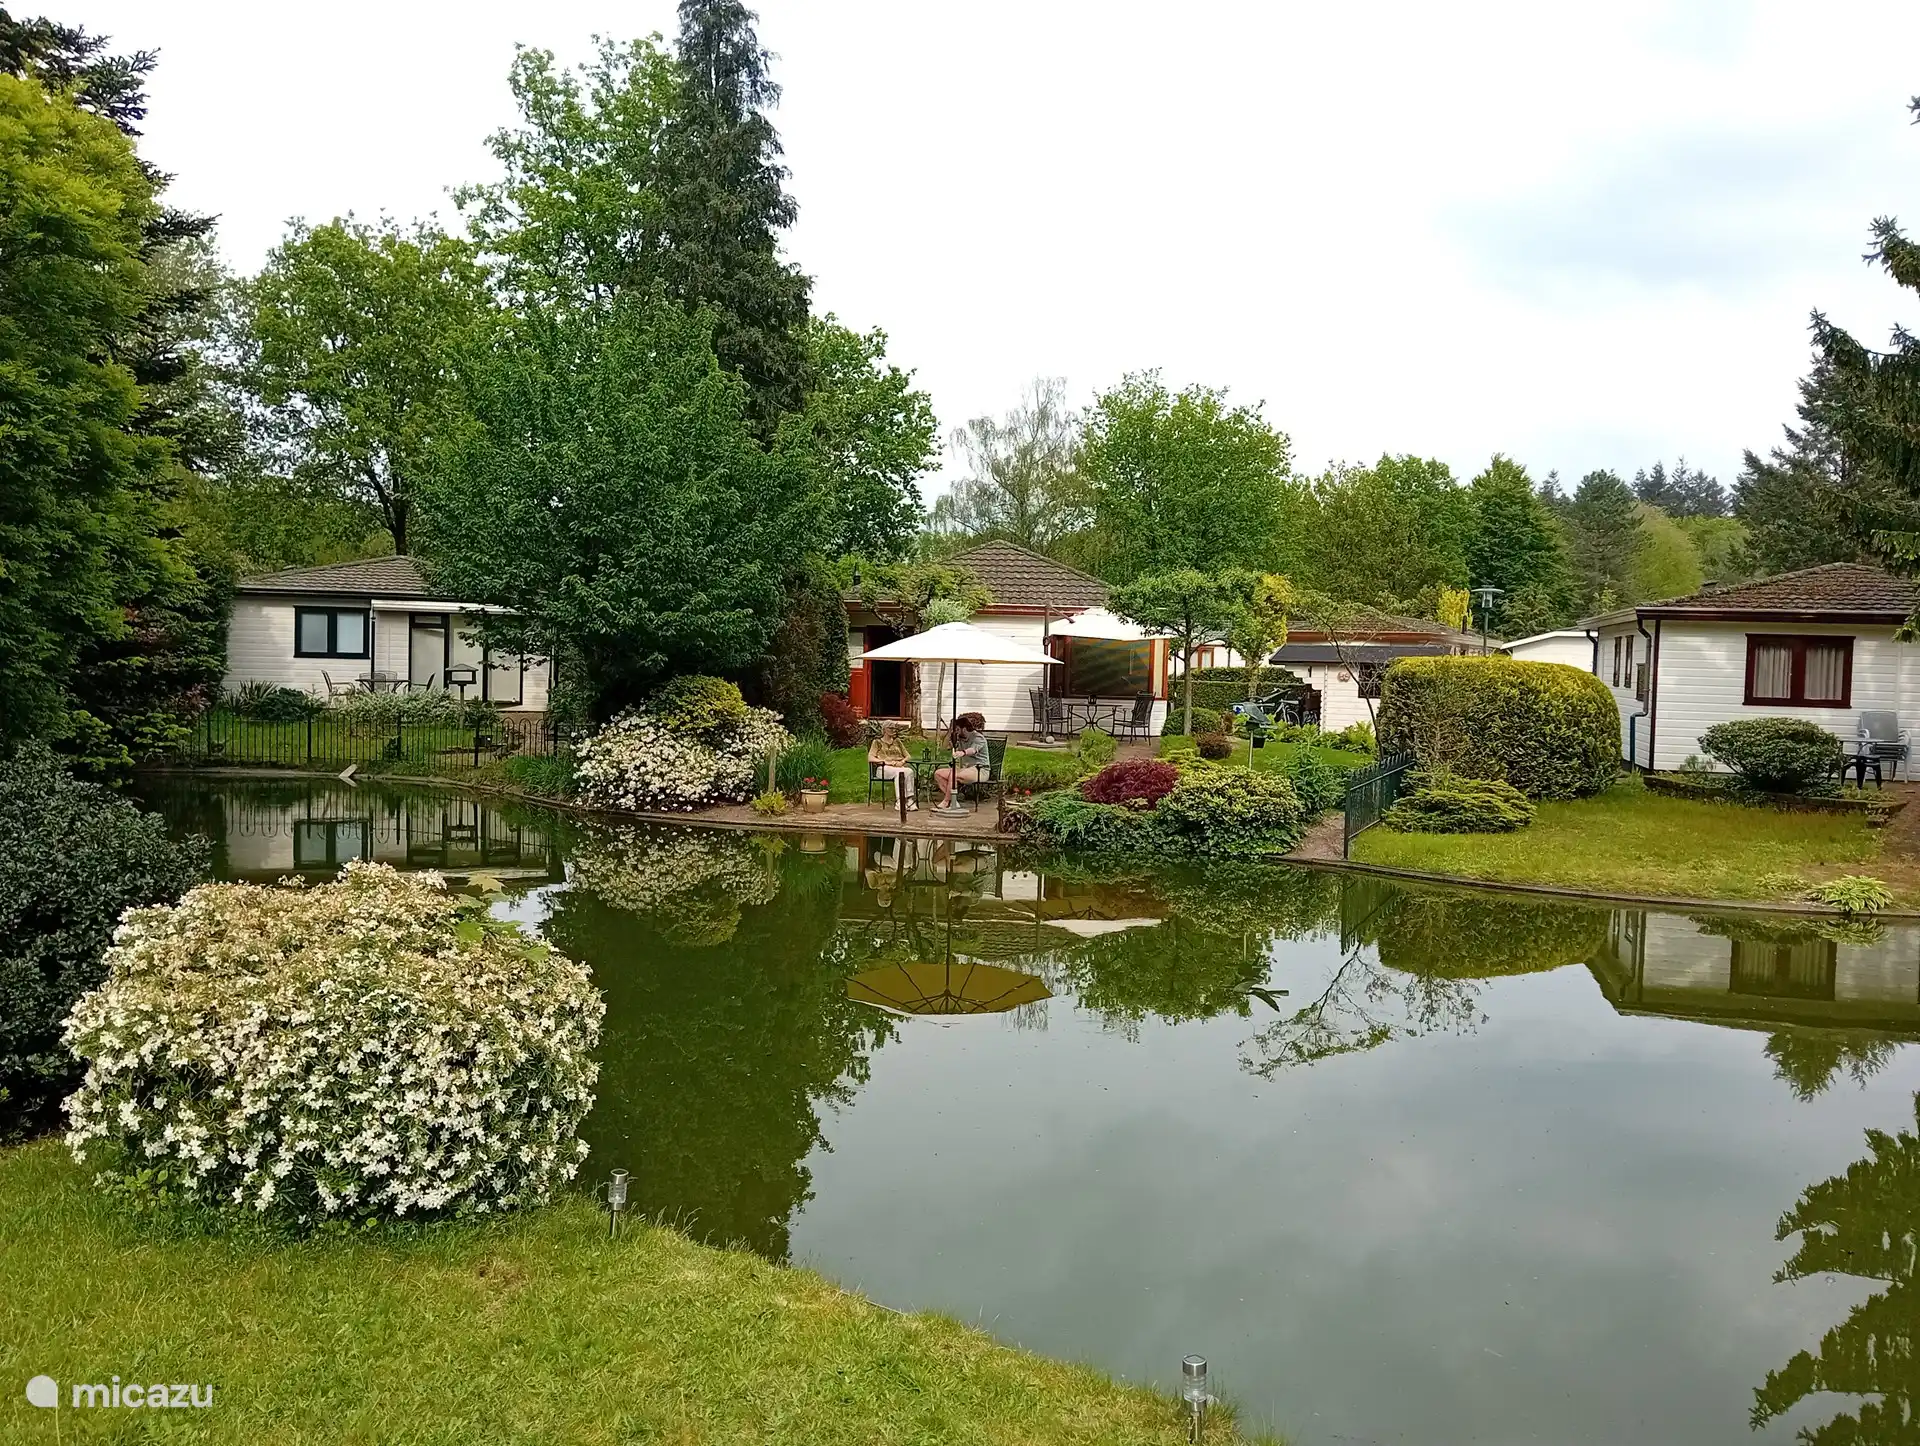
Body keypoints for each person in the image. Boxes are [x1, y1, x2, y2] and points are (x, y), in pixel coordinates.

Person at [935, 711, 989, 809]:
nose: (956, 732)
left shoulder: (978, 737)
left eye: (957, 729)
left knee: (954, 775)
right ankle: (953, 800)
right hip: (964, 769)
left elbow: (973, 750)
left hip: (979, 770)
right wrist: (950, 731)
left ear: (964, 728)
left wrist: (962, 752)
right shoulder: (959, 738)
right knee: (938, 774)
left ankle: (946, 802)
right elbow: (944, 747)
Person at [867, 721, 918, 811]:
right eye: (891, 728)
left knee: (909, 771)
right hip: (883, 768)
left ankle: (909, 799)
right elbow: (870, 758)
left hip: (898, 766)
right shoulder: (877, 742)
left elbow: (908, 756)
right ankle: (900, 801)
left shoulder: (897, 741)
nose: (893, 730)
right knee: (899, 773)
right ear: (884, 730)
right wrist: (886, 762)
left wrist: (902, 761)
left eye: (894, 728)